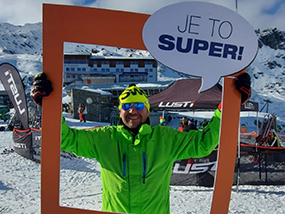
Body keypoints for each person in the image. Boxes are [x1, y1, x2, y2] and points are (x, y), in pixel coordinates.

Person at [31, 72, 251, 214]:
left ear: (147, 110)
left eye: (138, 105)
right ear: (120, 111)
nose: (132, 111)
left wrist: (227, 109)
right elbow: (65, 139)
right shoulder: (103, 138)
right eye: (126, 106)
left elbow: (203, 143)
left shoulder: (166, 138)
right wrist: (49, 106)